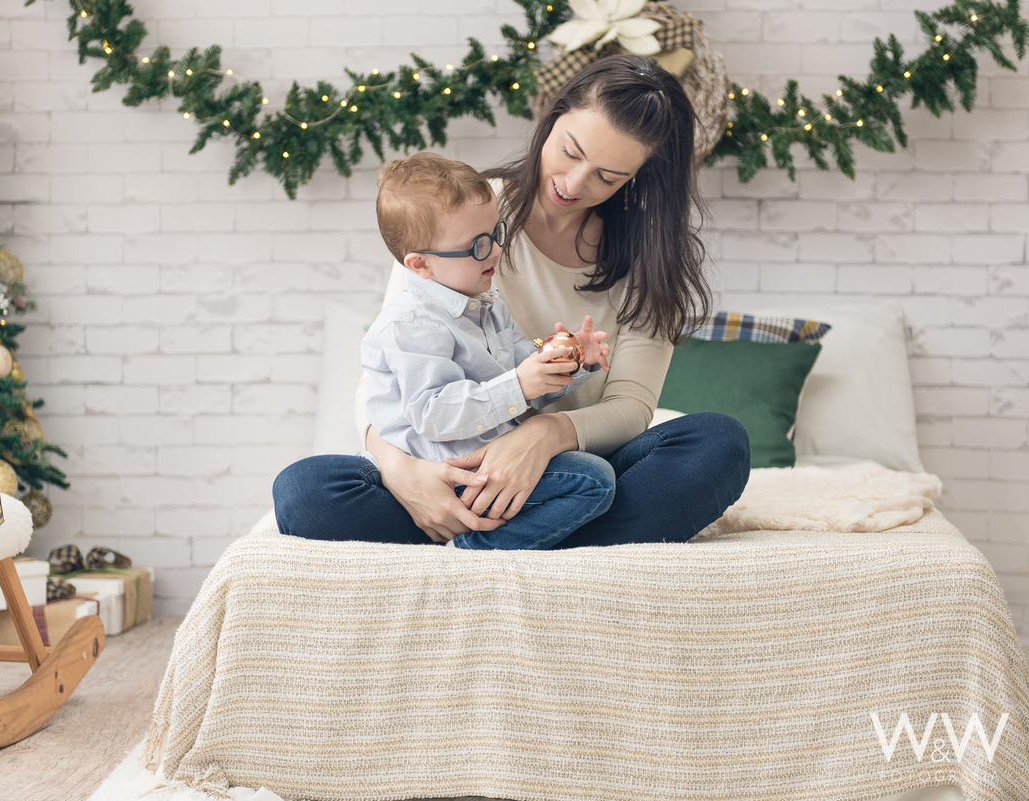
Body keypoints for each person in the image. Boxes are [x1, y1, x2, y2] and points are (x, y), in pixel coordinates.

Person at [273, 53, 750, 547]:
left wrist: (545, 436)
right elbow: (392, 374)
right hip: (453, 466)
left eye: (607, 177)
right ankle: (534, 541)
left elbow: (630, 408)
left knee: (719, 444)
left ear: (639, 177)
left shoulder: (651, 261)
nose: (573, 183)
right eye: (569, 151)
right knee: (304, 491)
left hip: (571, 476)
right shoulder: (458, 214)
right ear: (552, 118)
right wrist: (401, 472)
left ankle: (500, 539)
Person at [360, 152, 614, 550]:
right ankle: (474, 550)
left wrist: (566, 361)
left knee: (594, 477)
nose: (495, 250)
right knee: (591, 481)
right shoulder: (411, 322)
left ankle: (480, 538)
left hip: (493, 466)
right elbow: (433, 414)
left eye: (496, 233)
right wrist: (519, 384)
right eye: (477, 245)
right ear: (420, 264)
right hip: (447, 475)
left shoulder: (488, 303)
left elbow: (522, 379)